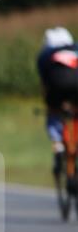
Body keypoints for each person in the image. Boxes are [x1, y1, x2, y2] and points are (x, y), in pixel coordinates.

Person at [37, 26, 78, 175]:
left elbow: (45, 84)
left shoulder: (45, 54)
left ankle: (58, 144)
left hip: (57, 86)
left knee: (53, 115)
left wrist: (50, 105)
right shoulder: (76, 47)